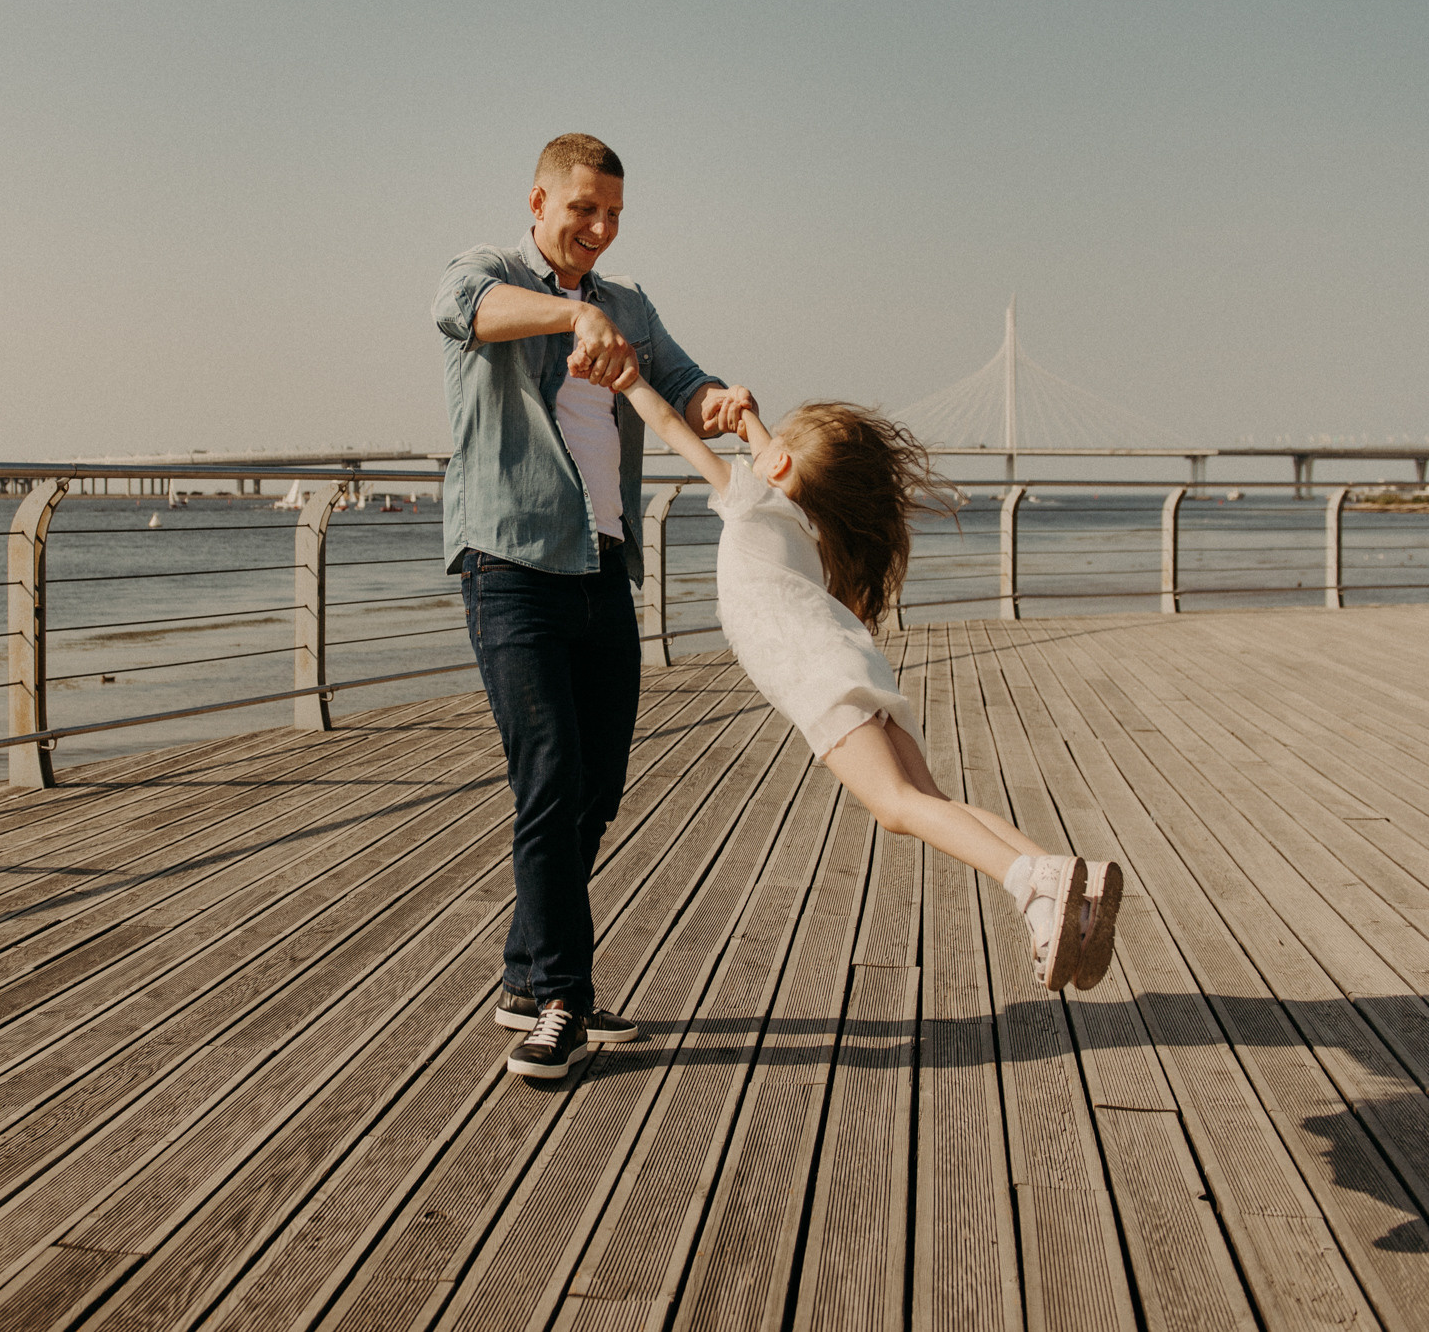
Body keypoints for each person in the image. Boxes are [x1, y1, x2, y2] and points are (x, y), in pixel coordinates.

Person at [615, 376, 1124, 990]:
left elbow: (673, 428)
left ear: (778, 463)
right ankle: (1065, 882)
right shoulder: (806, 518)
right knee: (932, 801)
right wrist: (748, 418)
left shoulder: (753, 499)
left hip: (817, 675)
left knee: (896, 806)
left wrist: (629, 380)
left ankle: (1031, 887)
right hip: (850, 661)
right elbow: (779, 455)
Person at [433, 133, 756, 1080]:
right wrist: (572, 317)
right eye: (584, 209)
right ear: (539, 203)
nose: (601, 229)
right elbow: (467, 310)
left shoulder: (629, 306)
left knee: (599, 786)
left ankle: (528, 976)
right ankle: (564, 1002)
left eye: (614, 213)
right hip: (511, 566)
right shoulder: (488, 273)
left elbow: (682, 386)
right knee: (551, 777)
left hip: (605, 567)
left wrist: (720, 403)